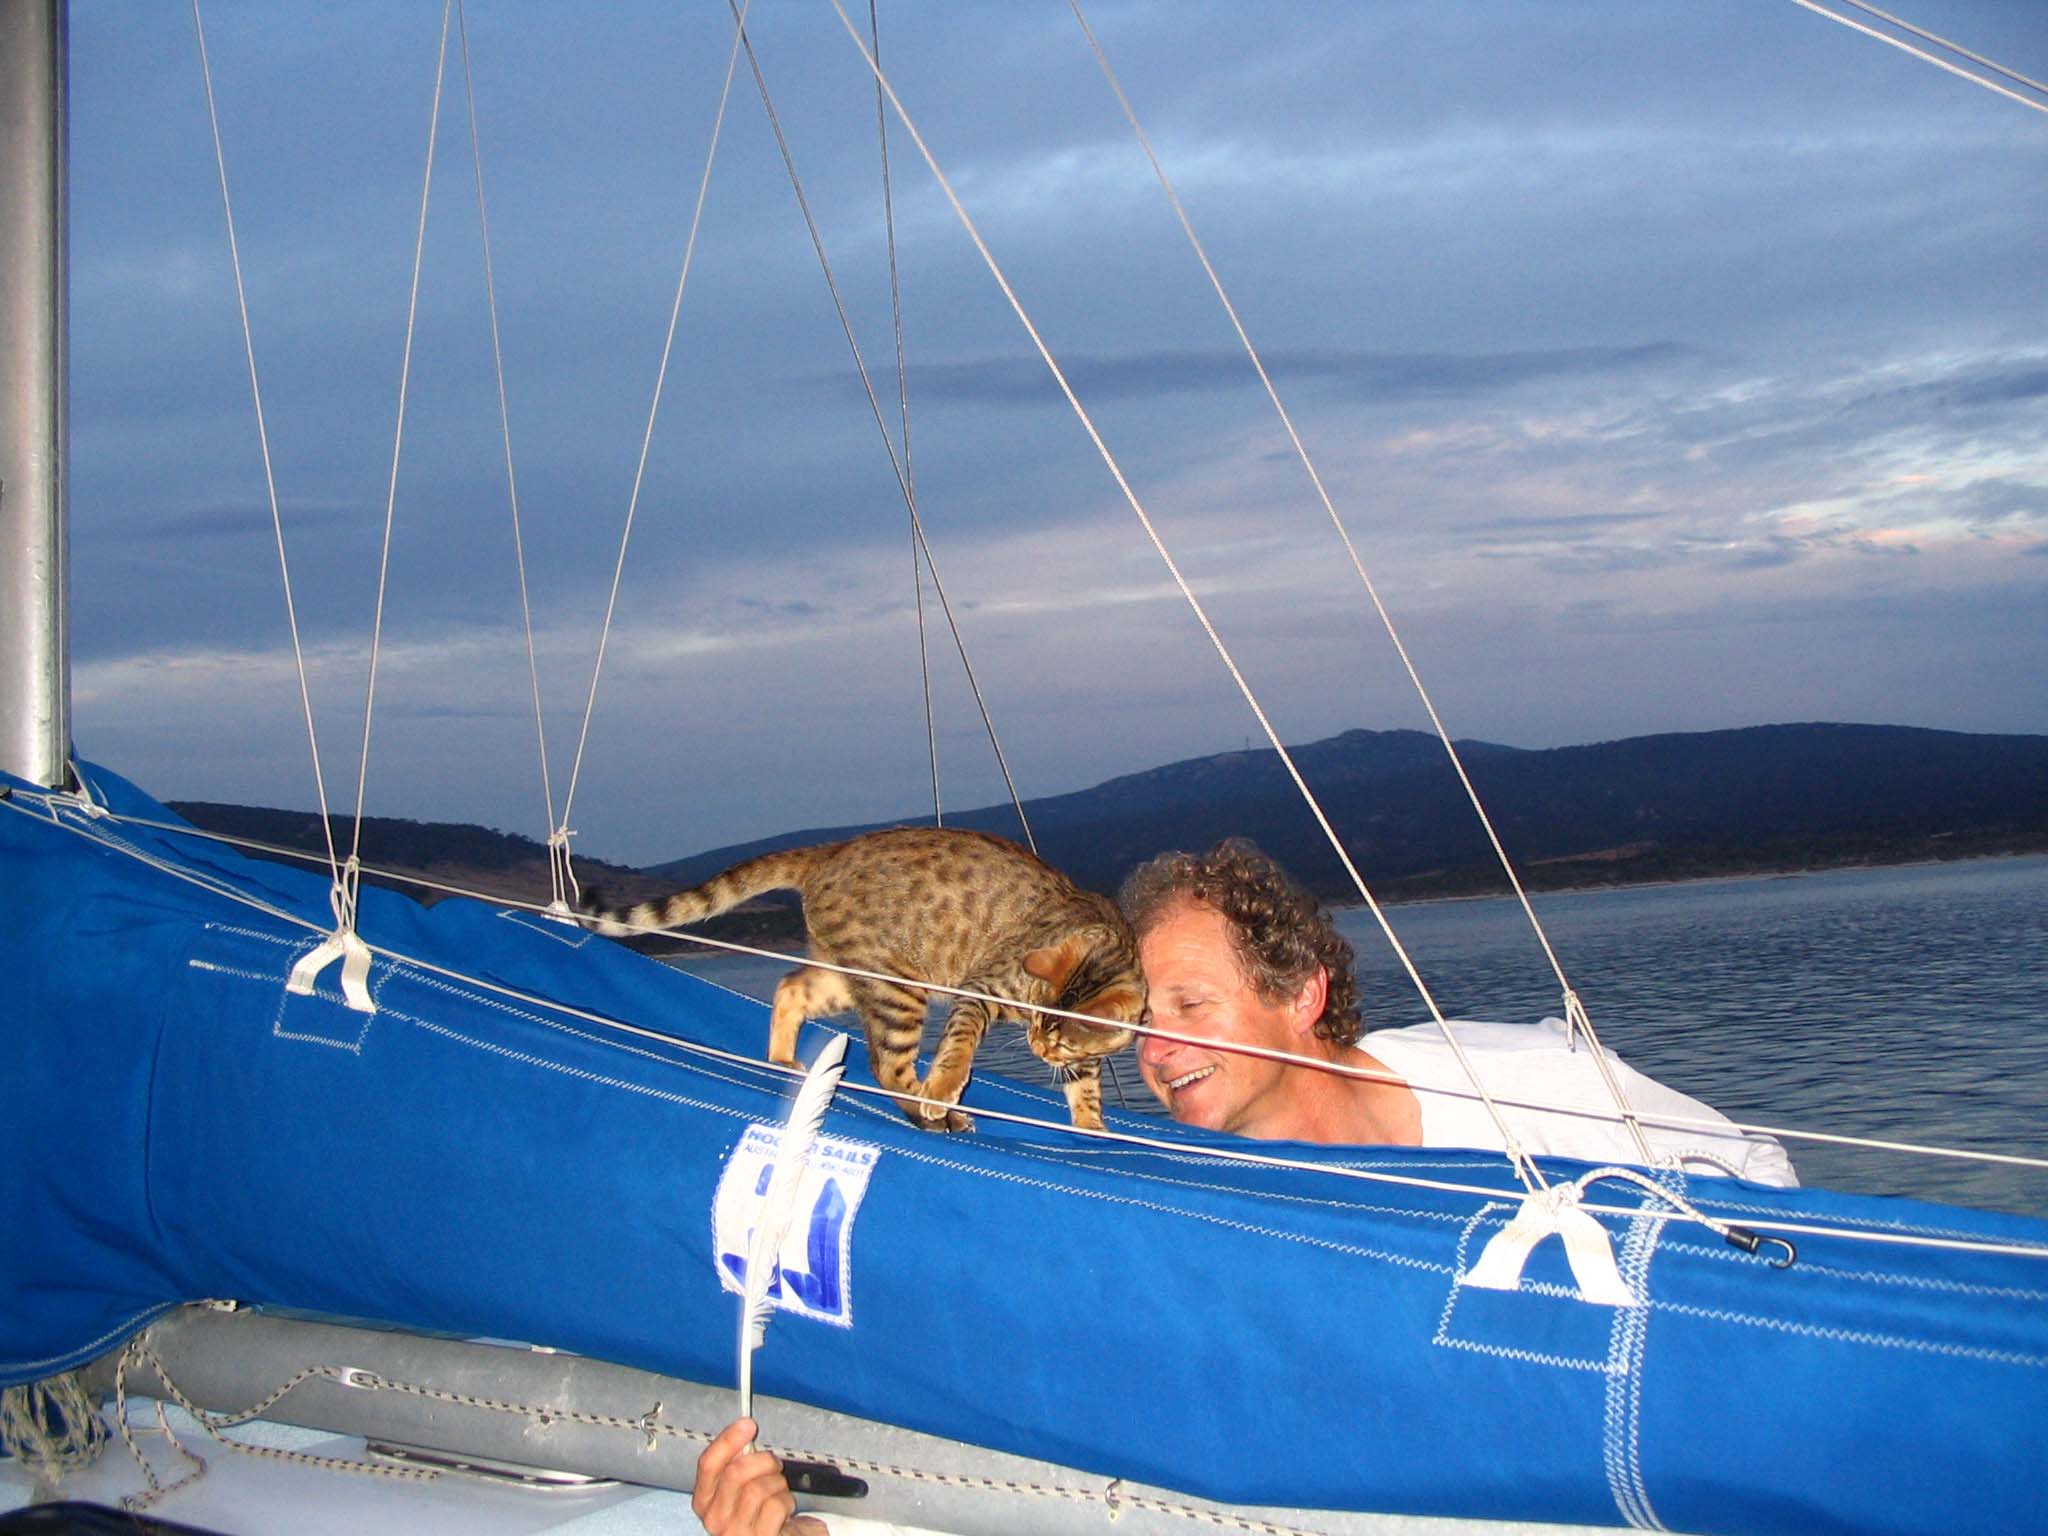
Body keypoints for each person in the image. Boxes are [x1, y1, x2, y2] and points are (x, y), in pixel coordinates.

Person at [1117, 838, 1798, 1185]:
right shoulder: (1191, 1200)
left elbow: (1759, 1178)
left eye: (1191, 1005)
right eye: (1142, 1020)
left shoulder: (1527, 1081)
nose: (1154, 1049)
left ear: (1301, 996)